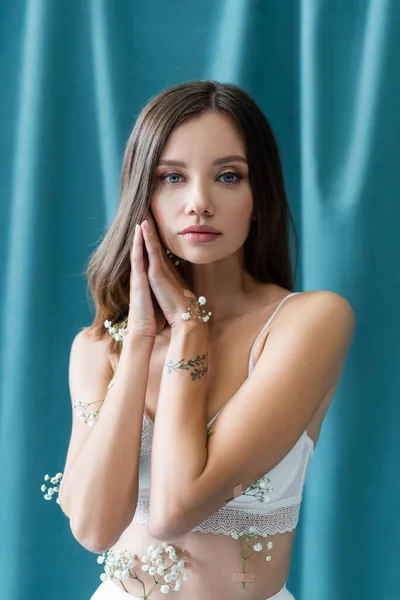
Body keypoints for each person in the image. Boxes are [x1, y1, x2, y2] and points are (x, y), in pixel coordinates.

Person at [57, 80, 355, 600]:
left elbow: (175, 508)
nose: (199, 203)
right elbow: (93, 529)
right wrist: (143, 338)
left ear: (259, 196)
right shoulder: (96, 349)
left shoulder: (308, 322)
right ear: (141, 197)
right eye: (172, 177)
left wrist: (190, 328)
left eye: (228, 176)